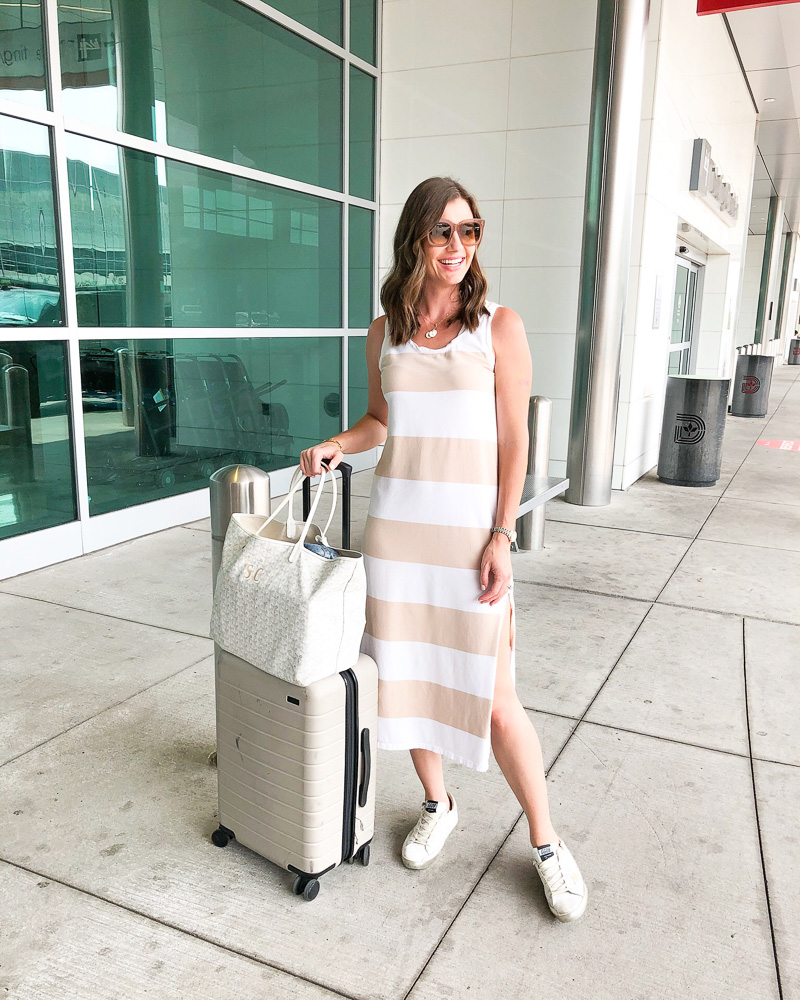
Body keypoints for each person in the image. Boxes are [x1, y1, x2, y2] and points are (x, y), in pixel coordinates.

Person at [300, 176, 587, 922]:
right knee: (407, 684)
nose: (459, 246)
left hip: (469, 542)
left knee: (495, 701)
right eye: (443, 232)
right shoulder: (383, 330)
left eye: (470, 231)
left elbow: (515, 439)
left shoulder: (498, 327)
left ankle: (548, 844)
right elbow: (376, 420)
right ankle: (438, 801)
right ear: (415, 240)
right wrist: (336, 444)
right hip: (396, 538)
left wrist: (502, 533)